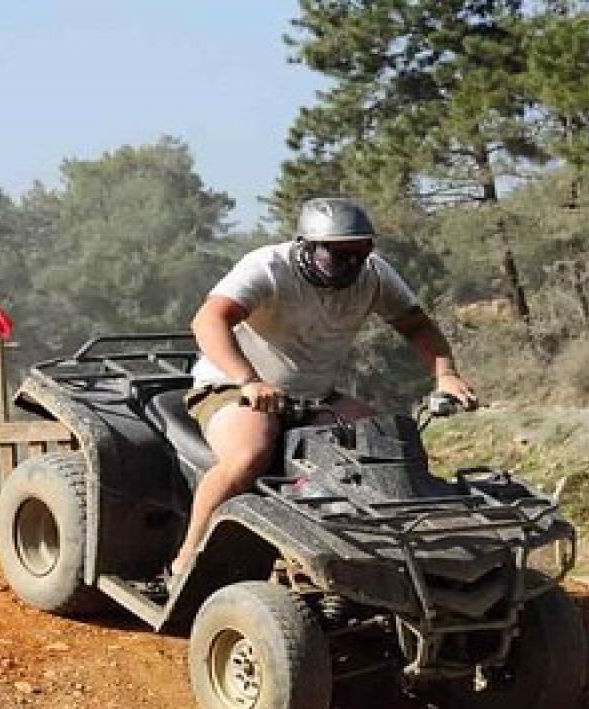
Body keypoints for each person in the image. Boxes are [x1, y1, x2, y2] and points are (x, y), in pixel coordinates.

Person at [173, 197, 477, 578]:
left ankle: (393, 559)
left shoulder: (374, 275)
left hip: (314, 395)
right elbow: (208, 320)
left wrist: (446, 373)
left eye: (359, 254)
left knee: (386, 448)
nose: (351, 264)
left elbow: (415, 324)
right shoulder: (268, 266)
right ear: (307, 246)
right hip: (233, 388)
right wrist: (249, 381)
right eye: (338, 255)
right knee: (249, 455)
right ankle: (188, 557)